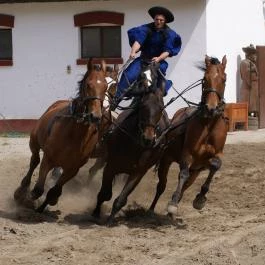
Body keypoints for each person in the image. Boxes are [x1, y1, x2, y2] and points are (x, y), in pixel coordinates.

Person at [111, 6, 182, 110]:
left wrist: (158, 58)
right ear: (154, 19)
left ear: (165, 21)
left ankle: (160, 91)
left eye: (161, 20)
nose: (158, 22)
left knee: (149, 78)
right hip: (142, 59)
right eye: (157, 19)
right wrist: (133, 51)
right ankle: (116, 99)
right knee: (129, 74)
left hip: (158, 61)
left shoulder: (170, 34)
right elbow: (138, 41)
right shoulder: (146, 28)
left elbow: (167, 51)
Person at [239, 44, 259, 116]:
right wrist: (251, 84)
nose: (256, 57)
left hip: (253, 88)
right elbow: (246, 74)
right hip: (248, 88)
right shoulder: (244, 62)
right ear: (249, 55)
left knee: (253, 105)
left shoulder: (252, 63)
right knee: (247, 105)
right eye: (254, 55)